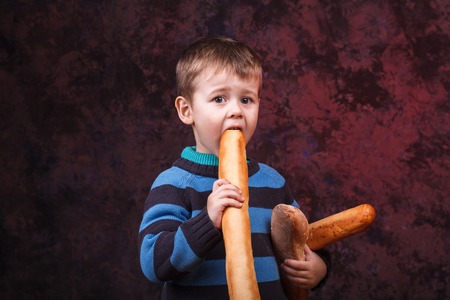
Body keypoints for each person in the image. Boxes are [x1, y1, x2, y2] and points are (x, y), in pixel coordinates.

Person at [139, 36, 328, 299]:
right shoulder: (174, 184)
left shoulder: (272, 182)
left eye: (247, 100)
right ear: (186, 110)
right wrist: (208, 221)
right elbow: (154, 264)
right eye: (219, 99)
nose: (236, 111)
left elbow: (301, 240)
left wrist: (319, 268)